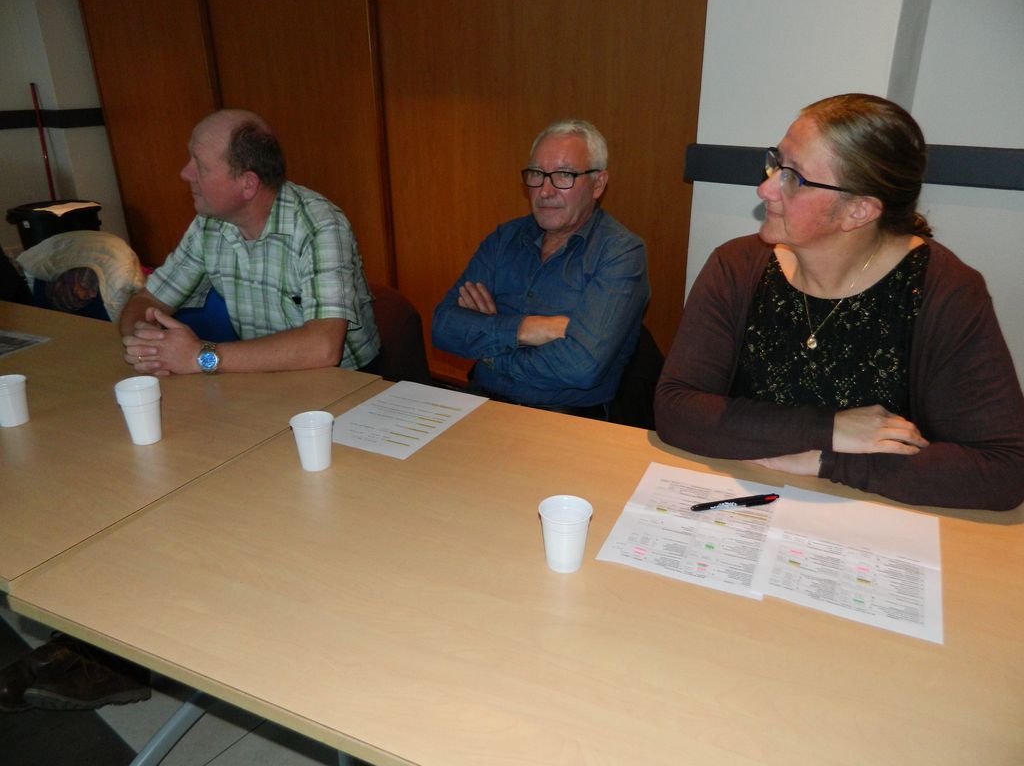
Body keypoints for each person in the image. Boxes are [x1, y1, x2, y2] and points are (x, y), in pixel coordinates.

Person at [655, 93, 1024, 511]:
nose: (765, 188)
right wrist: (829, 429)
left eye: (793, 178)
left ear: (859, 211)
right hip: (744, 502)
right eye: (776, 163)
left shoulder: (945, 291)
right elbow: (676, 409)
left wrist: (826, 461)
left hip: (875, 522)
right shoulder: (738, 266)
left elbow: (1003, 470)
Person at [119, 109, 380, 375]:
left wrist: (200, 357)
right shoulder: (209, 224)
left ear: (248, 184)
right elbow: (148, 299)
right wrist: (145, 344)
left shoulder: (320, 225)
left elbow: (323, 347)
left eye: (201, 166)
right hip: (260, 375)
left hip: (344, 380)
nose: (185, 173)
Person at [432, 119, 650, 416]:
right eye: (537, 174)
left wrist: (491, 350)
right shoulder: (504, 239)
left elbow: (582, 366)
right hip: (482, 401)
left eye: (564, 175)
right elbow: (443, 326)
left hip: (564, 416)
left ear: (598, 184)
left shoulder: (620, 252)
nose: (545, 191)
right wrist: (527, 328)